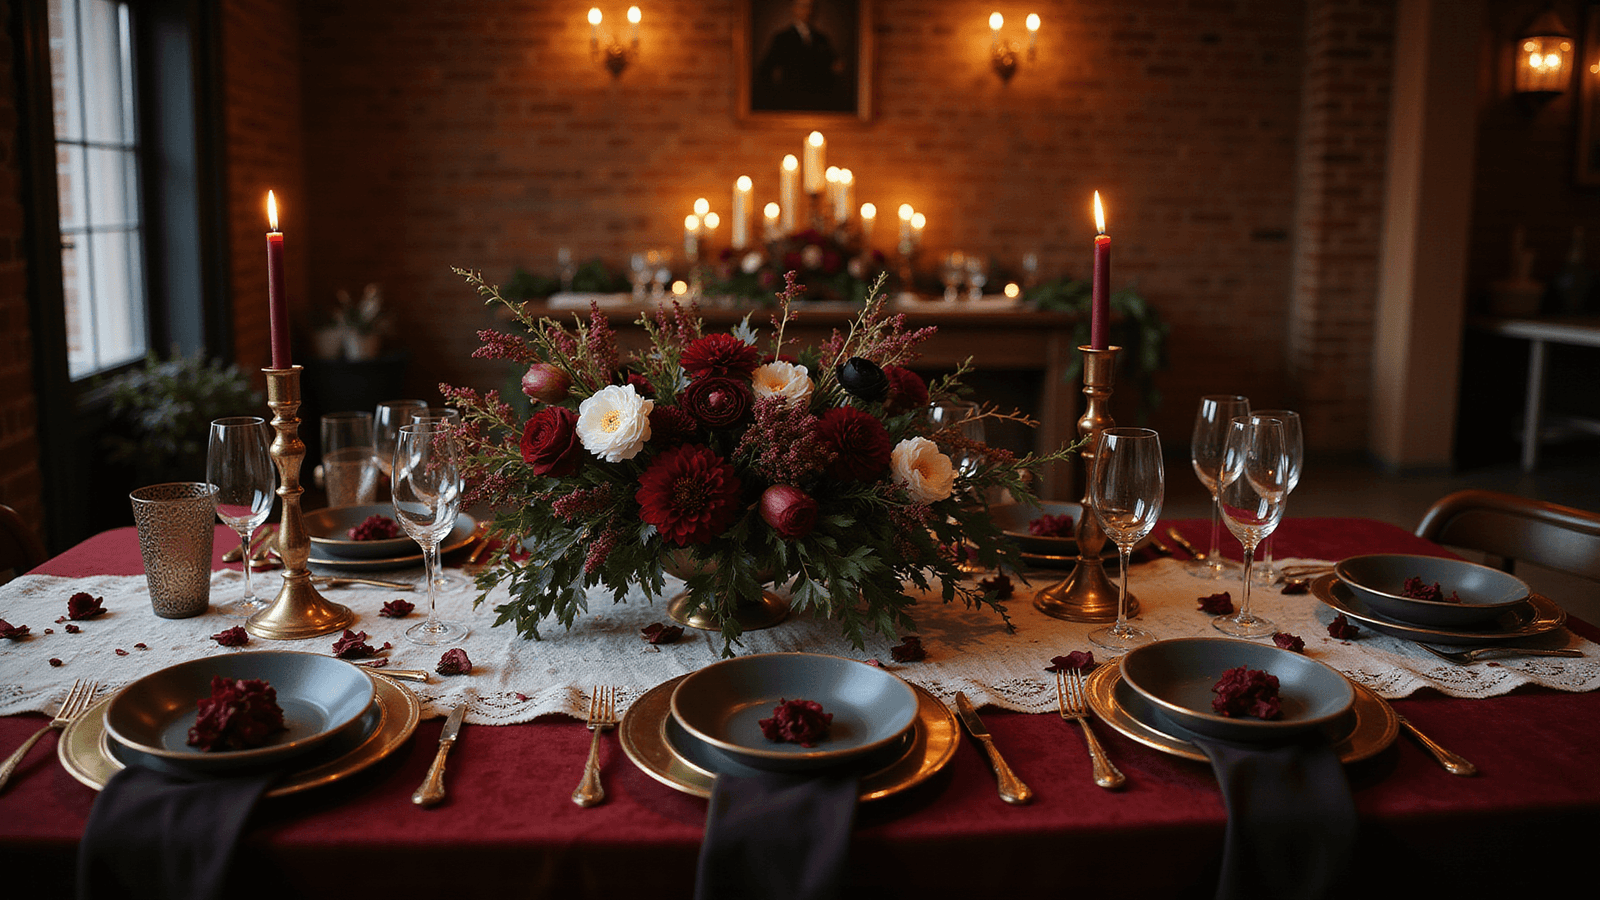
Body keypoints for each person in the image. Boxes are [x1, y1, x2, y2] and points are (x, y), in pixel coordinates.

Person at [752, 0, 850, 112]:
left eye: (810, 7)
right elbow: (765, 70)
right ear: (794, 8)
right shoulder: (782, 38)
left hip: (818, 103)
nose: (808, 11)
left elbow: (833, 66)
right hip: (790, 103)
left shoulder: (821, 39)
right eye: (803, 7)